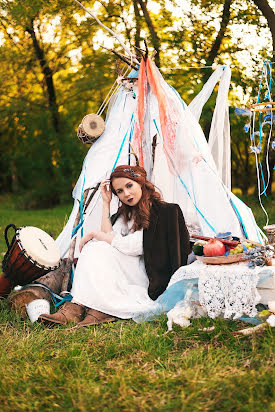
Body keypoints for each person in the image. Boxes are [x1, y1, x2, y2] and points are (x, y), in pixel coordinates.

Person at [39, 165, 190, 327]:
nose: (126, 194)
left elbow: (136, 246)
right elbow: (109, 237)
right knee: (95, 248)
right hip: (125, 269)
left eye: (129, 186)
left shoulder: (164, 211)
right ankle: (77, 307)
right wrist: (106, 203)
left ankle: (89, 308)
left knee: (96, 246)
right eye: (119, 191)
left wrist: (97, 235)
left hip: (148, 274)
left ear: (140, 182)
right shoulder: (125, 213)